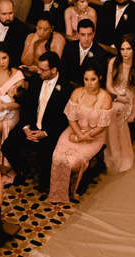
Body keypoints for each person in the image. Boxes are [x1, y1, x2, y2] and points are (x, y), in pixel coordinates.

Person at [3, 52, 70, 188]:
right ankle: (23, 170)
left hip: (49, 130)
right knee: (7, 146)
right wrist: (26, 128)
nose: (38, 71)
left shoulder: (65, 88)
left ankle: (44, 180)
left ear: (54, 70)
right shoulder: (35, 80)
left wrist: (45, 133)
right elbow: (27, 106)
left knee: (46, 158)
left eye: (43, 69)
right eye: (38, 68)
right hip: (31, 125)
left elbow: (63, 118)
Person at [47, 67, 112, 203]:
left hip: (94, 136)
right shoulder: (77, 93)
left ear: (99, 78)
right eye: (86, 79)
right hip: (74, 130)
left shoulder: (105, 98)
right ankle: (57, 193)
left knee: (74, 162)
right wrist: (79, 135)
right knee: (58, 157)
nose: (89, 83)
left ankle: (72, 191)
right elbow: (71, 118)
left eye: (93, 79)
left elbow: (102, 125)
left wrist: (86, 136)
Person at [103, 35, 135, 173]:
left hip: (128, 98)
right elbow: (108, 85)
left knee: (114, 111)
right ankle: (107, 150)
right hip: (113, 94)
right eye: (122, 49)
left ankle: (116, 155)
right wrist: (116, 96)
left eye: (128, 49)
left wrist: (133, 112)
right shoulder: (113, 62)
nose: (125, 52)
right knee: (107, 109)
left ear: (134, 49)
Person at [0, 44, 26, 147]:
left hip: (10, 114)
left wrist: (3, 106)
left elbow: (19, 103)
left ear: (9, 57)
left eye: (4, 58)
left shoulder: (18, 75)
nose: (1, 62)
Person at [60, 19, 106, 86]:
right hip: (67, 86)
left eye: (89, 34)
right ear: (78, 34)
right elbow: (62, 70)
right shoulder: (69, 47)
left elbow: (101, 80)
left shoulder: (101, 53)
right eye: (83, 35)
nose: (86, 38)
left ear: (93, 35)